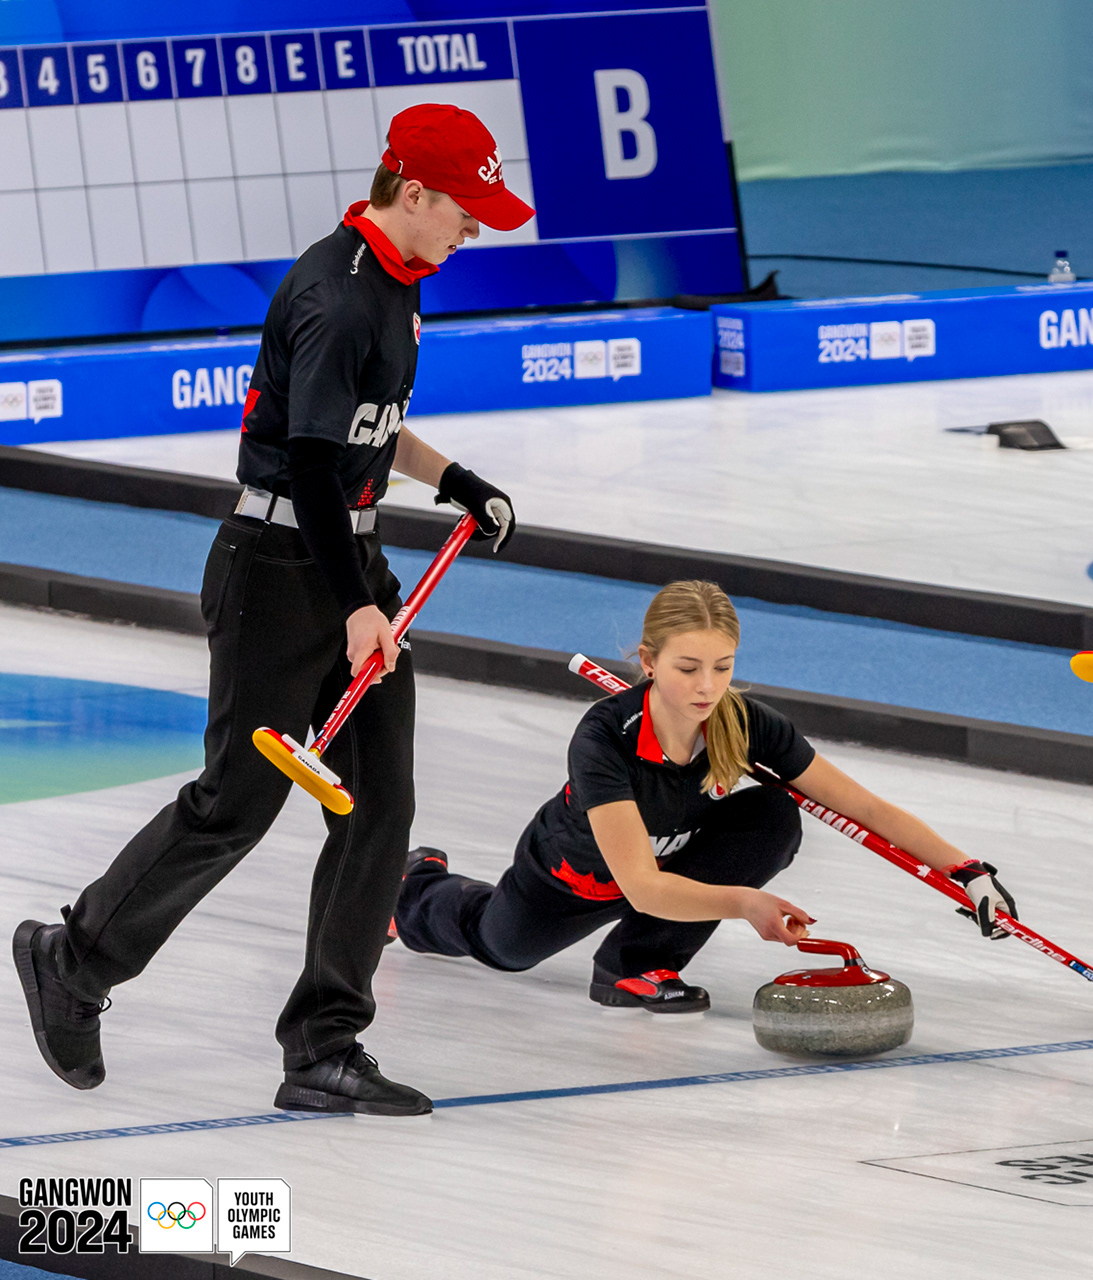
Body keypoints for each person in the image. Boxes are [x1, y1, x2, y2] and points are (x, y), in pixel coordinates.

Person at [14, 104, 532, 1117]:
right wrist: (356, 608)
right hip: (279, 573)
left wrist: (457, 480)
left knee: (378, 805)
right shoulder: (337, 296)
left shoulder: (395, 279)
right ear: (412, 192)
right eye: (465, 208)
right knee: (235, 806)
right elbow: (310, 462)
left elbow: (367, 428)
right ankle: (73, 959)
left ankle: (325, 1046)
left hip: (346, 560)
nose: (475, 227)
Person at [391, 581, 1017, 1011]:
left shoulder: (745, 722)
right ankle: (414, 885)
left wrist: (968, 870)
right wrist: (744, 902)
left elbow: (866, 808)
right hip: (579, 874)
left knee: (774, 814)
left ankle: (635, 966)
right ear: (649, 661)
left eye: (723, 667)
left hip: (670, 863)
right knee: (502, 948)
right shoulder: (604, 738)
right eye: (688, 668)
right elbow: (641, 887)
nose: (707, 687)